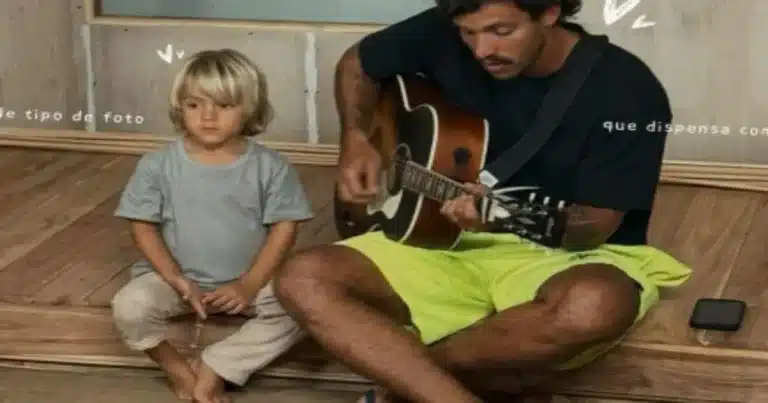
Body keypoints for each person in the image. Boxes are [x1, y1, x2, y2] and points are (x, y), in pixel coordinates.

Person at [274, 1, 693, 402]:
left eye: (501, 31)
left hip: (567, 254)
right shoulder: (444, 31)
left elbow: (591, 228)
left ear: (549, 12)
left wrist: (498, 219)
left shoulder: (627, 90)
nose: (481, 50)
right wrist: (357, 139)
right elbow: (357, 64)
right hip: (443, 237)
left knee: (594, 305)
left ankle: (407, 383)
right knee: (303, 277)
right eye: (468, 33)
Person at [110, 49, 314, 403]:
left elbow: (285, 227)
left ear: (250, 108)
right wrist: (175, 278)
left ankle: (217, 366)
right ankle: (175, 368)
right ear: (179, 108)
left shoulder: (271, 167)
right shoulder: (158, 165)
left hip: (249, 282)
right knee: (129, 306)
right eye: (194, 105)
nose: (207, 117)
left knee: (306, 306)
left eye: (223, 105)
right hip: (176, 281)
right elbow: (141, 226)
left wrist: (250, 284)